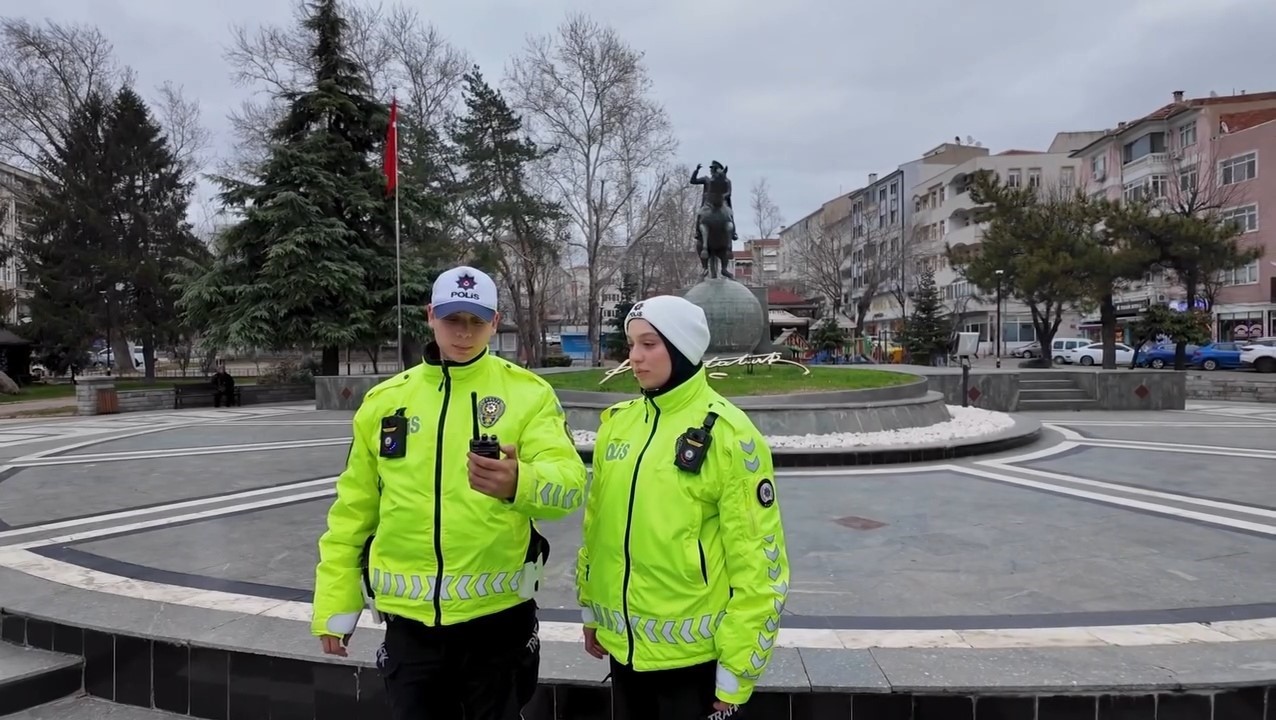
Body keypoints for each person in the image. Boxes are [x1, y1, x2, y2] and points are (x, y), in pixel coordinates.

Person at [311, 265, 587, 720]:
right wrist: (336, 603)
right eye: (453, 319)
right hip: (410, 627)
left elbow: (570, 487)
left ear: (495, 323)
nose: (464, 332)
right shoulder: (385, 402)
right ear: (430, 316)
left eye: (477, 321)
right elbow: (353, 511)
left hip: (498, 622)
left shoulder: (528, 395)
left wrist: (522, 482)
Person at [575, 295, 790, 719]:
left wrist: (738, 671)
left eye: (649, 344)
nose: (634, 358)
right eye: (631, 344)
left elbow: (760, 566)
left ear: (682, 347)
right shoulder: (618, 425)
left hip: (694, 663)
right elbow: (597, 528)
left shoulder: (730, 436)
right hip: (623, 650)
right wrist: (591, 609)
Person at [690, 161, 738, 244]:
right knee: (700, 213)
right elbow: (693, 181)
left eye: (713, 168)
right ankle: (697, 232)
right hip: (708, 204)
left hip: (722, 203)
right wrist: (696, 171)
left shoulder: (727, 181)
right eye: (711, 168)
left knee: (730, 214)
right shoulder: (706, 179)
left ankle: (733, 233)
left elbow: (729, 193)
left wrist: (722, 196)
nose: (711, 170)